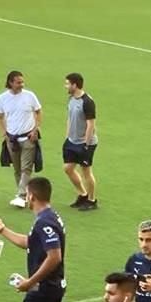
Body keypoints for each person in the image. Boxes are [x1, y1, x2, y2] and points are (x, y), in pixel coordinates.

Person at [0, 70, 42, 209]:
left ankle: (21, 196)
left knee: (26, 168)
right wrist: (4, 133)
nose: (22, 84)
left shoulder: (30, 96)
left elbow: (38, 112)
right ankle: (26, 196)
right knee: (17, 169)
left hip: (28, 137)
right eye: (18, 82)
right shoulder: (2, 98)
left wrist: (35, 130)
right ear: (10, 82)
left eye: (22, 81)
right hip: (12, 139)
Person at [62, 73, 99, 211]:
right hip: (72, 141)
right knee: (68, 168)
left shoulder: (87, 102)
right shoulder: (71, 99)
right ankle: (83, 194)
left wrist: (86, 144)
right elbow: (69, 118)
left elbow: (91, 124)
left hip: (85, 142)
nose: (66, 86)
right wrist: (67, 136)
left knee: (86, 172)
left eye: (67, 84)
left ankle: (91, 200)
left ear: (74, 85)